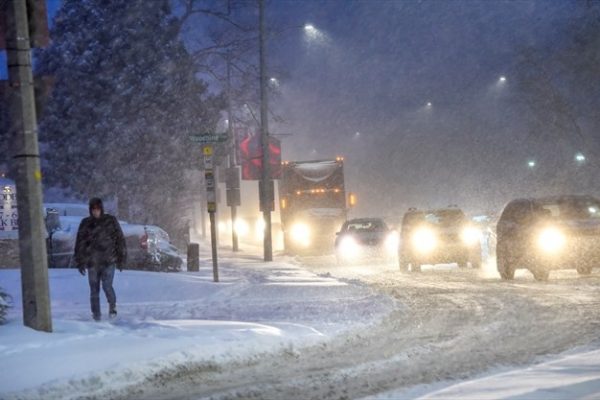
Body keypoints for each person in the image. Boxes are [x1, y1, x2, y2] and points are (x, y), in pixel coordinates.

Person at [74, 197, 127, 321]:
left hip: (109, 260)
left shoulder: (110, 221)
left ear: (101, 209)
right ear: (90, 210)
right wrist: (80, 261)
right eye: (93, 209)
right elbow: (80, 243)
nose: (95, 211)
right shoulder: (85, 223)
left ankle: (112, 306)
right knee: (94, 290)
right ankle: (96, 315)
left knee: (107, 286)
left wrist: (121, 257)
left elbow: (119, 239)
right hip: (92, 262)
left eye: (97, 209)